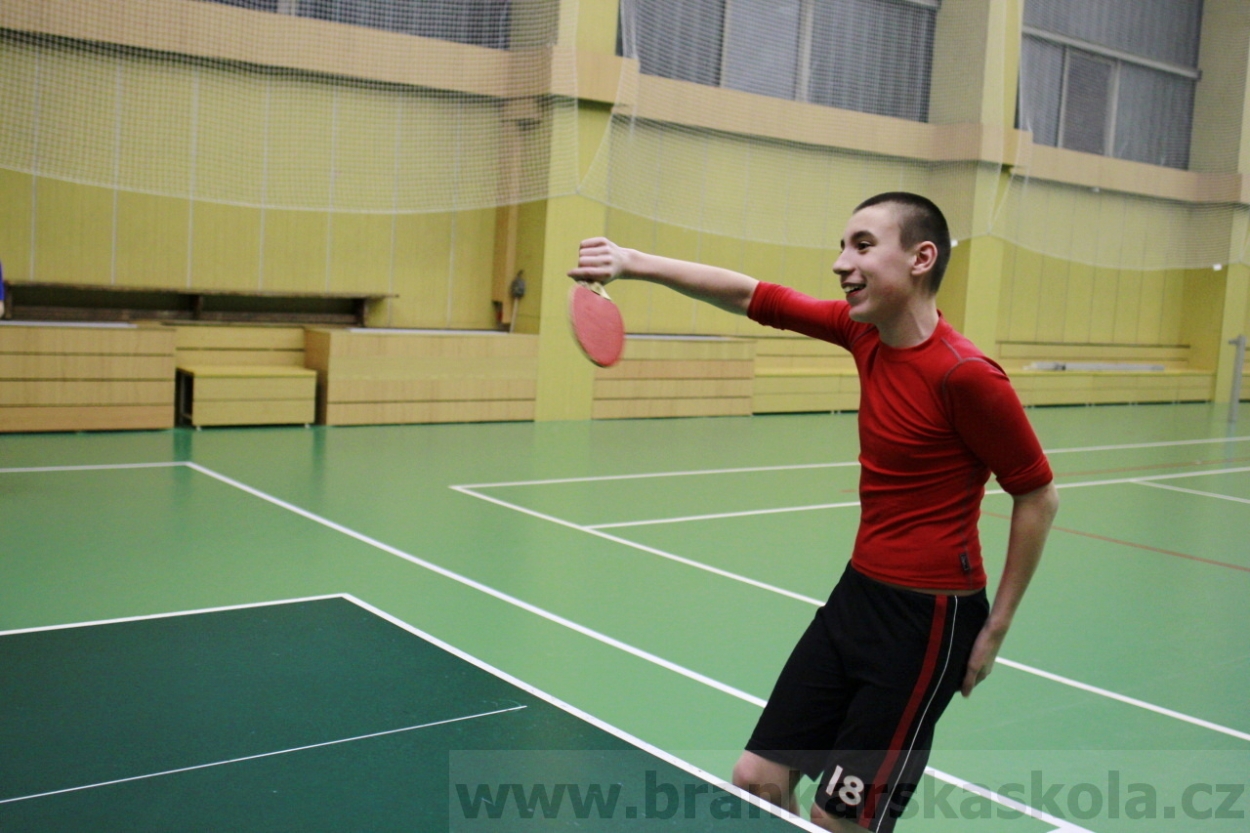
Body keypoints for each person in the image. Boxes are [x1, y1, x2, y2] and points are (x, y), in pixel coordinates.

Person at [569, 192, 1059, 832]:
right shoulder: (863, 333)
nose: (840, 263)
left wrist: (995, 628)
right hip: (858, 596)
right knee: (757, 779)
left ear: (921, 258)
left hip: (927, 622)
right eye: (841, 246)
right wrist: (632, 262)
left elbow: (1037, 494)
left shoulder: (966, 375)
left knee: (841, 817)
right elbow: (753, 295)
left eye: (862, 246)